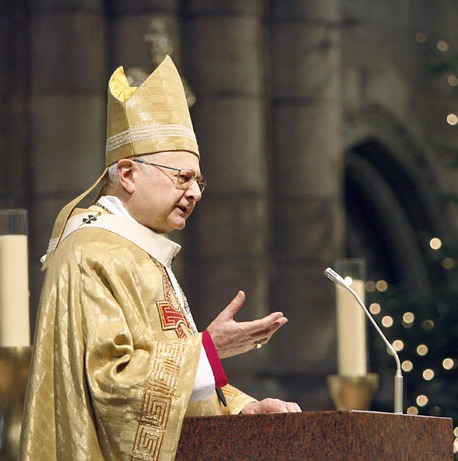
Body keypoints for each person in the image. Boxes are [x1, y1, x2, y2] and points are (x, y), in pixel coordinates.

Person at [20, 56, 300, 461]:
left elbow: (165, 393)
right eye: (182, 177)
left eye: (199, 181)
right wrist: (205, 351)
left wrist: (241, 408)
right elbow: (112, 386)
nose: (196, 193)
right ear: (129, 174)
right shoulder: (92, 252)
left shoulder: (139, 252)